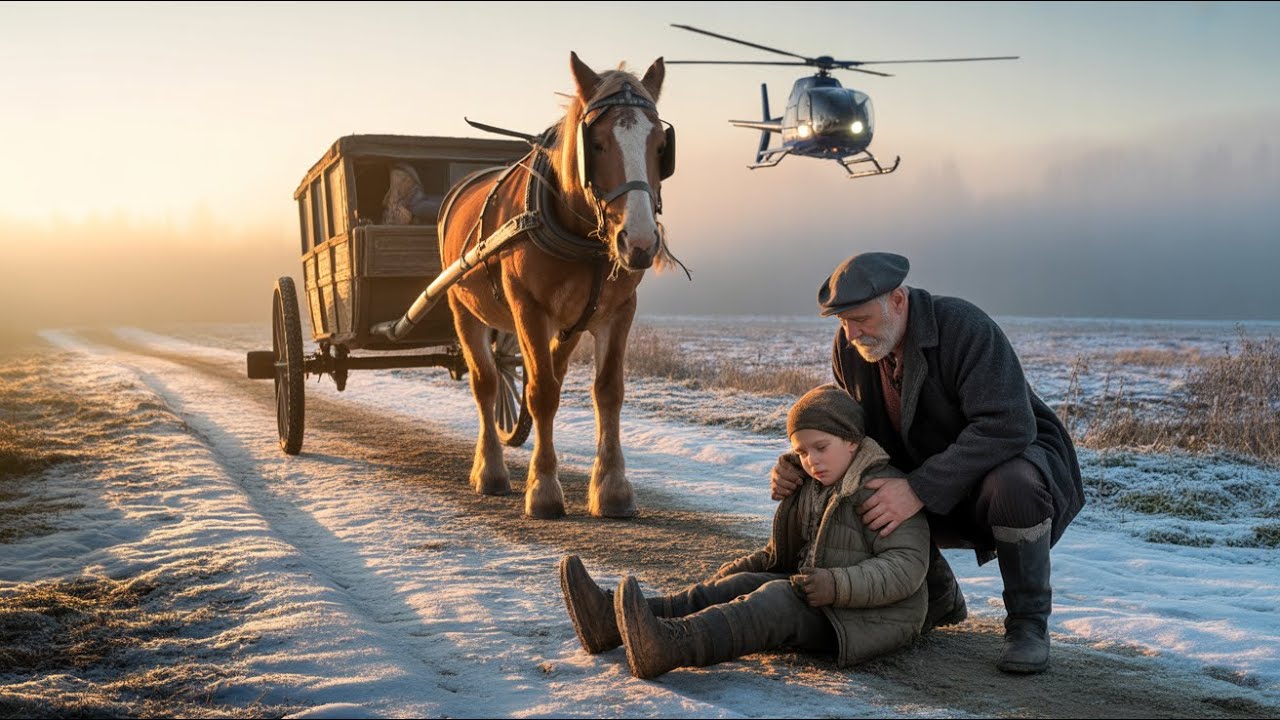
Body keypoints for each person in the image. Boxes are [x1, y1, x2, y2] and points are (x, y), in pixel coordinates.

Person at [771, 251, 1085, 675]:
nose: (851, 333)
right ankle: (936, 594)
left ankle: (1028, 625)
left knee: (1015, 485)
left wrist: (918, 489)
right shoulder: (850, 349)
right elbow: (848, 430)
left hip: (1007, 465)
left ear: (898, 301)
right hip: (925, 465)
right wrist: (799, 460)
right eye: (843, 322)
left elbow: (1009, 425)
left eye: (860, 318)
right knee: (866, 487)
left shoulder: (965, 327)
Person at [559, 384, 931, 679]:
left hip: (871, 617)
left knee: (775, 601)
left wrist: (838, 584)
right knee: (735, 586)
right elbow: (783, 557)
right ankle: (612, 622)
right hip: (820, 592)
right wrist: (739, 571)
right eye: (801, 451)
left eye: (821, 447)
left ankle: (670, 646)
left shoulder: (883, 489)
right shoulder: (813, 485)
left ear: (852, 440)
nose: (811, 460)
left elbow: (907, 567)